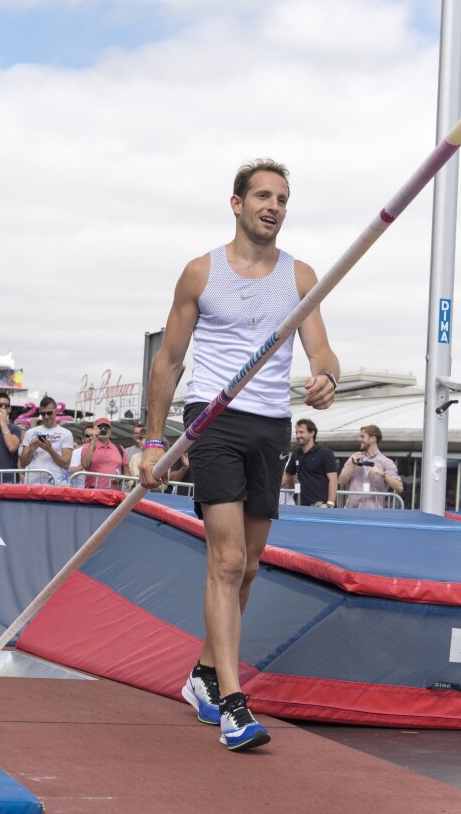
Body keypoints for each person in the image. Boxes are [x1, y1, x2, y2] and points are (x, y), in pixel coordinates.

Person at [139, 158, 339, 751]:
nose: (273, 206)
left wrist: (327, 379)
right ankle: (232, 704)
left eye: (281, 198)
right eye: (262, 196)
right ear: (237, 203)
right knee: (226, 562)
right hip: (213, 423)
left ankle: (202, 676)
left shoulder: (300, 277)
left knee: (248, 566)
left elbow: (323, 351)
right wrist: (151, 442)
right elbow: (169, 361)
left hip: (270, 429)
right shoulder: (201, 274)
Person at [339, 425, 403, 508]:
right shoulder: (354, 458)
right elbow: (341, 482)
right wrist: (352, 464)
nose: (359, 440)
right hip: (352, 510)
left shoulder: (386, 462)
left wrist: (382, 474)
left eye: (362, 436)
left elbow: (399, 488)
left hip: (373, 513)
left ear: (373, 438)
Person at [281, 419, 338, 507]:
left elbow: (333, 479)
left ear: (312, 433)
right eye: (296, 432)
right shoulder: (296, 453)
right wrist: (269, 489)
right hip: (302, 505)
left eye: (301, 432)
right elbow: (287, 475)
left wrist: (330, 504)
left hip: (321, 505)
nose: (298, 435)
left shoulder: (325, 453)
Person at [20, 396, 74, 485]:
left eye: (49, 413)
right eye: (43, 413)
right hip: (32, 483)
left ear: (56, 411)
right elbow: (23, 463)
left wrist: (50, 450)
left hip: (54, 483)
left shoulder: (66, 433)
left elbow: (65, 464)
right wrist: (31, 451)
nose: (46, 416)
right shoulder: (30, 432)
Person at [81, 417, 130, 489]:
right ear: (95, 430)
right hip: (93, 491)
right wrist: (93, 441)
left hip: (113, 493)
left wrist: (119, 479)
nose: (103, 430)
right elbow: (85, 464)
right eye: (100, 427)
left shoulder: (120, 448)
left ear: (110, 431)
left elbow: (128, 473)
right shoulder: (88, 446)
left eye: (106, 427)